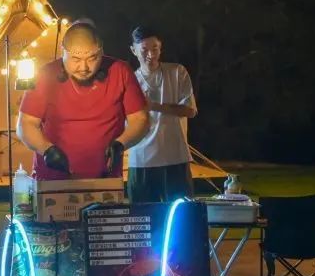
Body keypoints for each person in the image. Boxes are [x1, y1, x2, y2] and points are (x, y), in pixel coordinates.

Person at [17, 20, 149, 181]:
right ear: (63, 51)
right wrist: (47, 150)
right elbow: (26, 124)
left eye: (92, 58)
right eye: (76, 59)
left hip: (105, 180)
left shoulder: (121, 71)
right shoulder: (46, 74)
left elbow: (140, 119)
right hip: (52, 180)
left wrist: (121, 144)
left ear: (101, 51)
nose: (84, 67)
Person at [126, 27, 197, 203]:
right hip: (141, 161)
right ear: (133, 50)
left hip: (175, 158)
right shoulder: (129, 81)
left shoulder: (177, 72)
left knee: (181, 216)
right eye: (144, 50)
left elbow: (190, 110)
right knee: (143, 218)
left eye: (155, 48)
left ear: (161, 47)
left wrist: (154, 106)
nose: (150, 54)